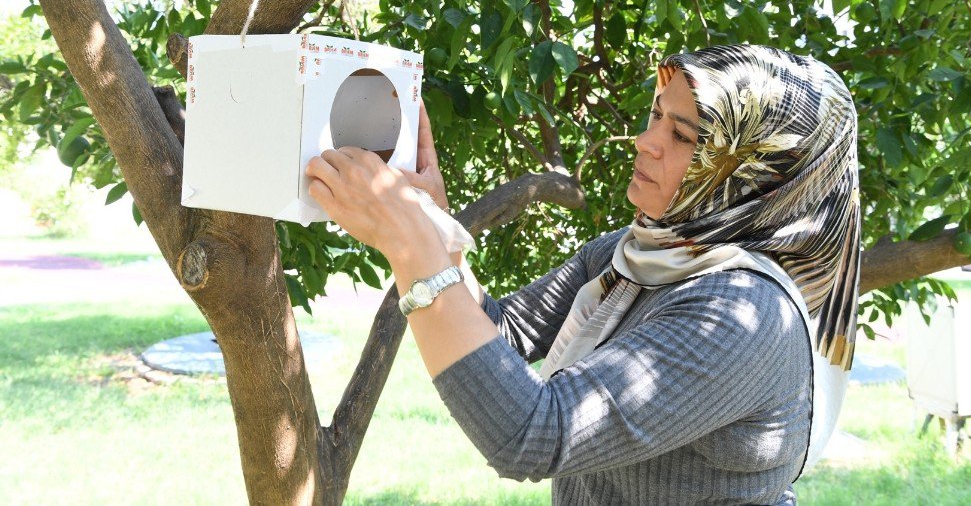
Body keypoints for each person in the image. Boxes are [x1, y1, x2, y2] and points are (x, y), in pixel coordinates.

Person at [304, 44, 861, 505]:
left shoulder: (744, 316)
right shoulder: (633, 254)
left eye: (685, 136)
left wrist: (412, 245)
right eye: (656, 115)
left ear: (755, 174)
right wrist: (434, 230)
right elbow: (500, 333)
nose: (646, 142)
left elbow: (532, 434)